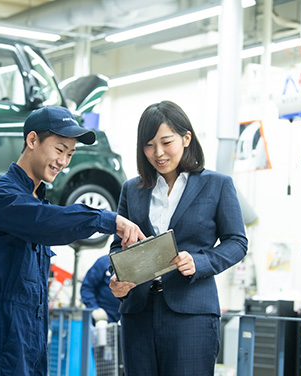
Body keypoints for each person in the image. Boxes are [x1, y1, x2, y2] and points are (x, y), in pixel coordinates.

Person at [0, 105, 146, 376]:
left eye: (70, 154)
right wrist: (110, 220)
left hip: (32, 334)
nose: (63, 162)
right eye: (59, 150)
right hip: (2, 336)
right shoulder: (1, 196)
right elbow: (46, 222)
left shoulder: (35, 200)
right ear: (32, 140)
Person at [109, 101, 248, 375]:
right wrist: (115, 277)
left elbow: (237, 242)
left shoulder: (217, 185)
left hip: (191, 313)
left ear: (186, 138)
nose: (157, 153)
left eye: (166, 142)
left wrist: (200, 262)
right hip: (138, 312)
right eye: (148, 145)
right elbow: (118, 246)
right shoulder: (132, 190)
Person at [81, 255, 121, 323]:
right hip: (103, 318)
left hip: (128, 318)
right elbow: (87, 287)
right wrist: (94, 308)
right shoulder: (104, 262)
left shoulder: (137, 264)